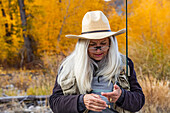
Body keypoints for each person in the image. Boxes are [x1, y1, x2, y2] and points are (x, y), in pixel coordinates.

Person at [49, 11, 145, 113]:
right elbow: (55, 103)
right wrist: (81, 101)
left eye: (103, 44)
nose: (98, 50)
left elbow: (139, 101)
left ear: (111, 44)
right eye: (92, 45)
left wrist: (121, 96)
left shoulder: (124, 64)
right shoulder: (68, 67)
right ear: (83, 46)